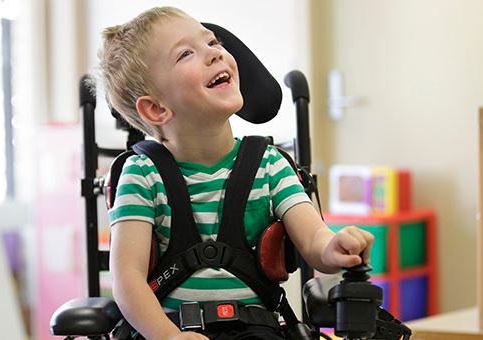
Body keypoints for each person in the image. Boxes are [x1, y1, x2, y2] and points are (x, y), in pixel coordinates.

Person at [101, 6, 375, 340]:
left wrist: (333, 247)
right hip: (173, 330)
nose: (215, 54)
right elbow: (126, 279)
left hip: (257, 331)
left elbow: (314, 239)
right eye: (186, 53)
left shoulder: (270, 164)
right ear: (157, 109)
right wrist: (166, 335)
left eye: (212, 42)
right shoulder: (143, 175)